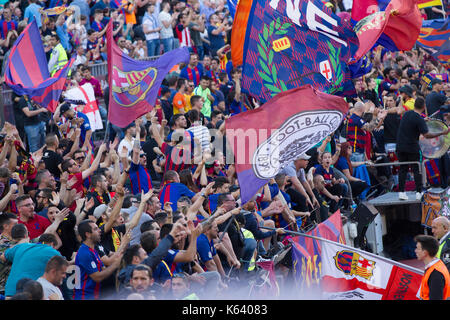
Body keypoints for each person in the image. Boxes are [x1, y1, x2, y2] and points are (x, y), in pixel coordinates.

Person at [396, 97, 450, 200]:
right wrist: (443, 132)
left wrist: (422, 120)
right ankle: (418, 192)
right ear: (424, 106)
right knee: (417, 169)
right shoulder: (419, 119)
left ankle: (401, 193)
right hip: (412, 147)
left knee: (403, 169)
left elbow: (413, 122)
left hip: (400, 146)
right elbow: (427, 135)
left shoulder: (407, 114)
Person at [0, 225, 61, 298]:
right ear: (52, 245)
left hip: (11, 290)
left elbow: (3, 256)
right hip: (31, 292)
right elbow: (64, 264)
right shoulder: (52, 251)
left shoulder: (20, 246)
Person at [72, 219, 125, 300]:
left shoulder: (93, 250)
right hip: (84, 297)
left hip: (94, 296)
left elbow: (104, 270)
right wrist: (115, 264)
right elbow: (97, 277)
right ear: (88, 234)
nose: (100, 230)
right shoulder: (84, 252)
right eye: (96, 229)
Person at [414, 235, 450, 300]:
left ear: (425, 253)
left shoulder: (436, 273)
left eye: (418, 248)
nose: (415, 251)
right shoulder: (436, 267)